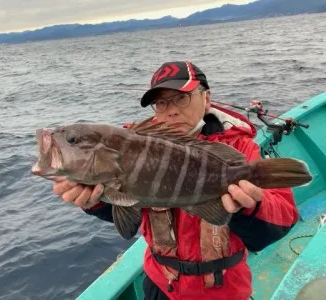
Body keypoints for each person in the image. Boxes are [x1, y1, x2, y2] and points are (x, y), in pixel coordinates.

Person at [52, 61, 299, 299]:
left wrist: (252, 206)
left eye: (181, 98)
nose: (171, 110)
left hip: (224, 290)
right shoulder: (131, 148)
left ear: (206, 98)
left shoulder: (239, 148)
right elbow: (127, 211)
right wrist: (93, 199)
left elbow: (283, 220)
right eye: (161, 103)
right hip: (161, 284)